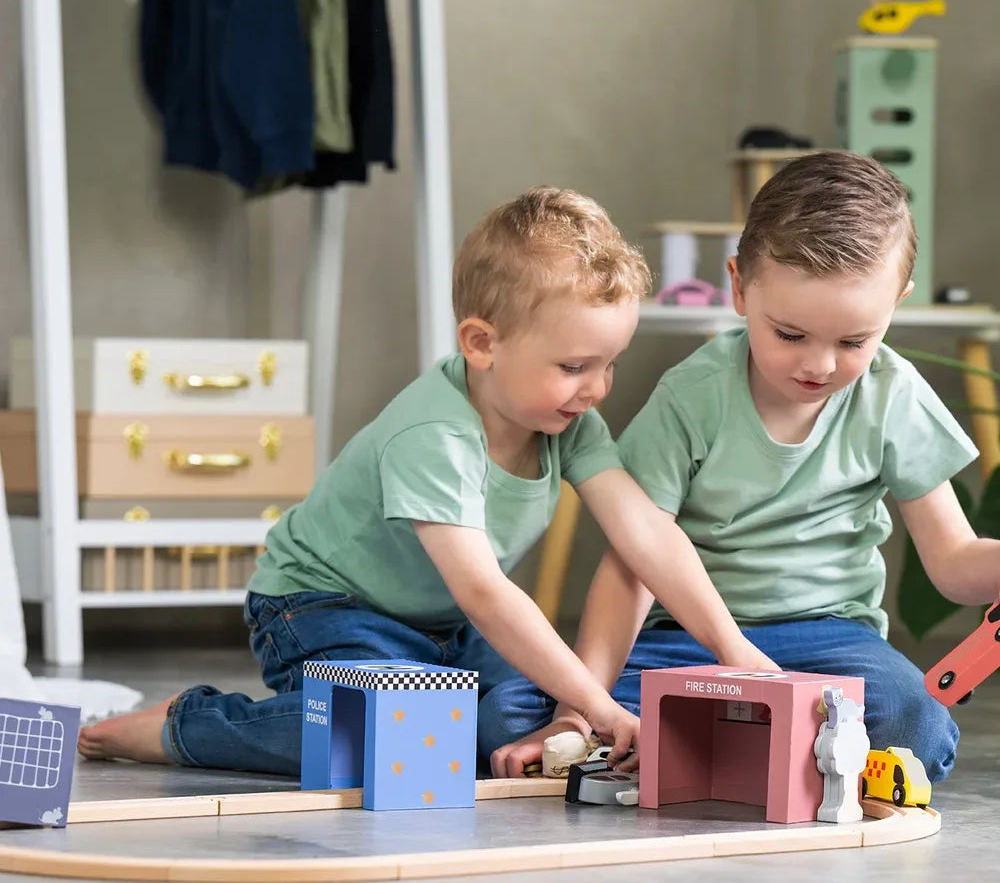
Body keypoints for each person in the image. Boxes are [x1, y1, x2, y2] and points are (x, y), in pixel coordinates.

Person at [78, 185, 775, 776]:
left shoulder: (569, 422)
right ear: (481, 344)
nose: (596, 389)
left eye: (609, 365)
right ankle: (189, 726)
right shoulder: (434, 436)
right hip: (322, 608)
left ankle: (442, 714)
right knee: (394, 733)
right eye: (573, 366)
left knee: (515, 718)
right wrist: (595, 703)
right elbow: (485, 592)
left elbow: (646, 532)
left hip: (441, 629)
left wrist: (733, 649)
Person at [487, 152, 1000, 783]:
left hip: (829, 643)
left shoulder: (894, 394)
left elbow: (951, 560)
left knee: (912, 720)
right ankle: (765, 757)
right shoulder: (693, 394)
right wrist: (575, 709)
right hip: (688, 642)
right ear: (738, 286)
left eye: (852, 342)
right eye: (789, 334)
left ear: (896, 302)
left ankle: (715, 753)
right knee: (512, 714)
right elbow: (633, 562)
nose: (818, 365)